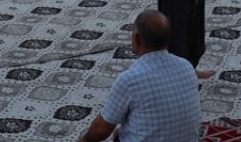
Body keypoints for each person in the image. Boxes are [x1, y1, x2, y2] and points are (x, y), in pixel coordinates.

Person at [77, 10, 201, 142]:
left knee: (117, 134)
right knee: (121, 132)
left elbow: (101, 130)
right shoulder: (186, 66)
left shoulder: (130, 80)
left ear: (136, 39)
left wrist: (84, 140)